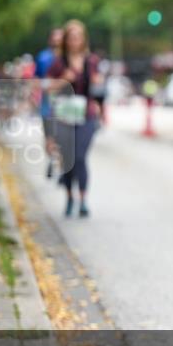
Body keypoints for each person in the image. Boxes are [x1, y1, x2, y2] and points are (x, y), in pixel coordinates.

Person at [48, 20, 103, 218]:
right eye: (71, 38)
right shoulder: (58, 62)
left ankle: (83, 199)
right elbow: (48, 88)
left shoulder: (91, 61)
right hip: (65, 115)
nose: (75, 41)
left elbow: (99, 84)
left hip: (86, 114)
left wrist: (98, 82)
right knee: (68, 158)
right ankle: (70, 197)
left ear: (83, 39)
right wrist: (63, 80)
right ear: (66, 40)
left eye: (78, 37)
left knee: (80, 156)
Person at [36, 28, 63, 178]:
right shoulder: (43, 57)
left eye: (60, 39)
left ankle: (60, 165)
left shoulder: (69, 57)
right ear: (50, 40)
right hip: (47, 105)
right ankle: (52, 159)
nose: (57, 42)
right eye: (55, 39)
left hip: (65, 106)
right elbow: (36, 78)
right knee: (49, 139)